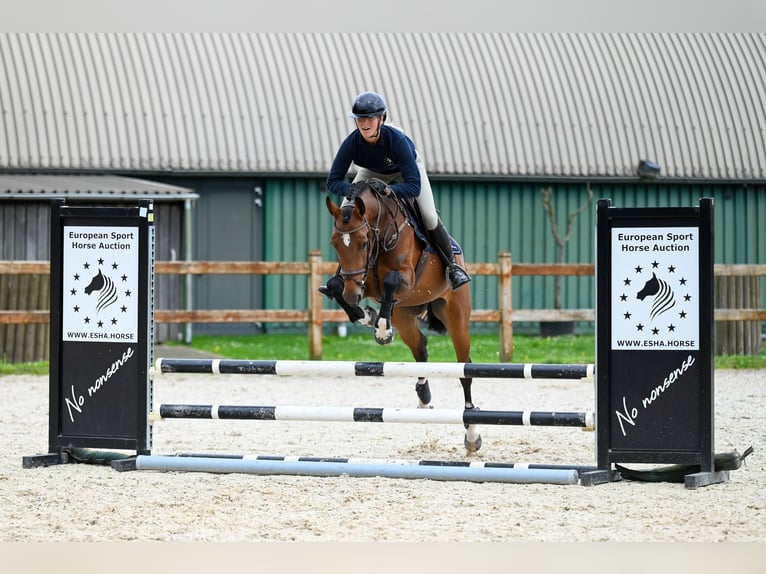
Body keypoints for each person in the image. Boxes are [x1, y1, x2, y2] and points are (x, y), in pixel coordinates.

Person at [324, 91, 471, 291]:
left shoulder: (396, 141)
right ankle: (342, 274)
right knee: (347, 215)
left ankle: (453, 267)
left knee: (428, 215)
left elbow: (413, 186)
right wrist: (353, 188)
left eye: (370, 118)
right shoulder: (351, 143)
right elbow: (332, 182)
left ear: (381, 119)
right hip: (371, 171)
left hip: (405, 171)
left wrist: (388, 190)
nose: (364, 124)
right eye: (360, 119)